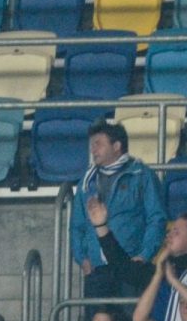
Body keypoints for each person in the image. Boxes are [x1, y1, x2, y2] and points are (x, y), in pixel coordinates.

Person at [70, 119, 167, 296]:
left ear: (116, 146)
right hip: (96, 269)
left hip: (130, 267)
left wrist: (145, 255)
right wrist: (81, 257)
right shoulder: (87, 180)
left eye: (98, 144)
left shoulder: (142, 175)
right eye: (92, 145)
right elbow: (77, 224)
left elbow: (156, 218)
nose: (93, 150)